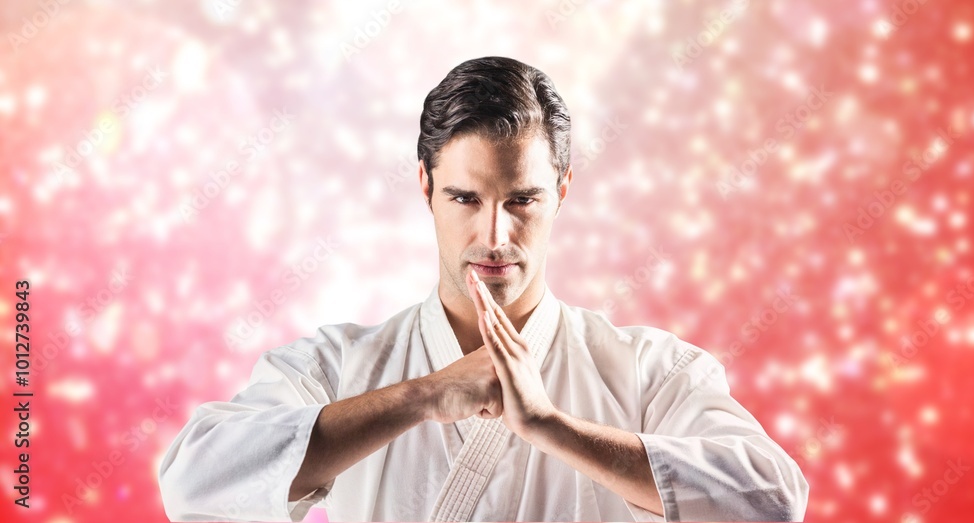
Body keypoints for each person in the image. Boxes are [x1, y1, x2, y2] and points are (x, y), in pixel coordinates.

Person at [158, 56, 809, 522]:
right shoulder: (341, 365)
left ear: (562, 190)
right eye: (465, 197)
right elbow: (193, 479)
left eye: (522, 198)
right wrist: (421, 394)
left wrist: (553, 426)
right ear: (424, 187)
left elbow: (774, 498)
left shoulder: (649, 370)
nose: (495, 234)